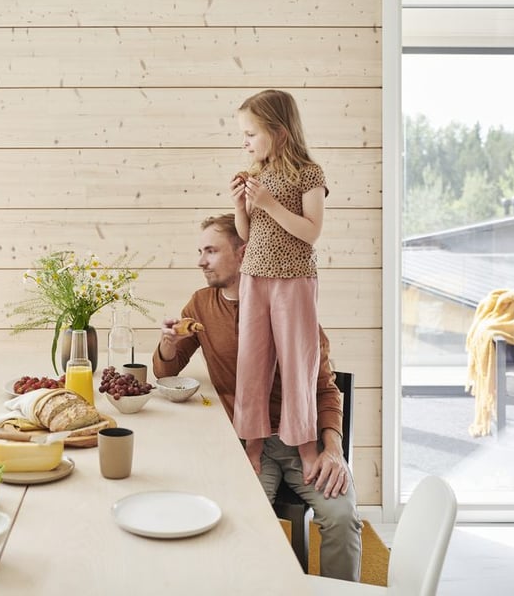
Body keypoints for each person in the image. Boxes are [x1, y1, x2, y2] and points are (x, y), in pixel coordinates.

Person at [153, 214, 361, 581]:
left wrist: (333, 449)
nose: (201, 261)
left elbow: (325, 388)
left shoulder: (290, 302)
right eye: (200, 251)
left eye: (211, 251)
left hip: (302, 442)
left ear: (243, 252)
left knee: (342, 517)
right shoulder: (201, 305)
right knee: (240, 524)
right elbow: (165, 371)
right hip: (246, 444)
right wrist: (168, 344)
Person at [230, 89, 327, 473]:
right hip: (254, 277)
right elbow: (247, 234)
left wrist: (270, 203)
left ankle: (305, 446)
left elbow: (311, 231)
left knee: (298, 365)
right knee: (252, 364)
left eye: (251, 133)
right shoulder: (257, 174)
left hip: (294, 280)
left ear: (280, 132)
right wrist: (241, 207)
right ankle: (252, 443)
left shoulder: (309, 174)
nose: (245, 142)